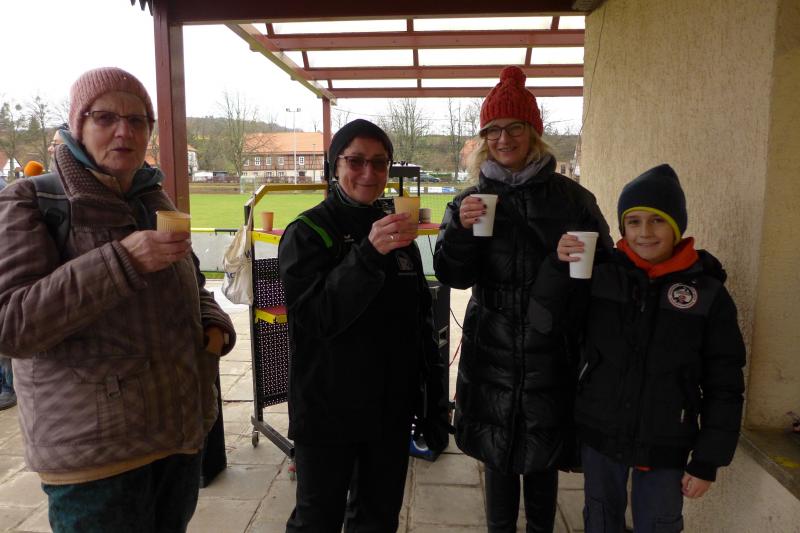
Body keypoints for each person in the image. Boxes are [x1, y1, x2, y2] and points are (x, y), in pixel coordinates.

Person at [0, 67, 236, 532]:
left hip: (177, 438)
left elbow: (191, 282)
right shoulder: (31, 200)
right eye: (105, 117)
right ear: (77, 125)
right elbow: (11, 326)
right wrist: (122, 261)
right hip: (96, 461)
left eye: (137, 120)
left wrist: (213, 329)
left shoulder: (154, 198)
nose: (124, 131)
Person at [434, 65, 612, 533]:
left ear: (534, 133)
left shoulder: (573, 199)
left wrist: (570, 264)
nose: (503, 139)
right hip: (490, 349)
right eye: (493, 130)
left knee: (541, 460)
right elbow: (453, 275)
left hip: (550, 350)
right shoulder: (470, 200)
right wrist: (459, 231)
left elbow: (604, 271)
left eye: (514, 128)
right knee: (496, 456)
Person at [547, 164, 746, 533]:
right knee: (600, 519)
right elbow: (550, 323)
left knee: (658, 523)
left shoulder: (707, 294)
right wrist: (559, 269)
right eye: (634, 221)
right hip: (601, 432)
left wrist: (707, 461)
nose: (645, 232)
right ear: (623, 228)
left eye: (657, 221)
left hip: (666, 441)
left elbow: (725, 384)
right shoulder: (601, 275)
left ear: (677, 226)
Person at [278, 119, 447, 532]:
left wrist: (432, 402)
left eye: (379, 162)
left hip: (389, 409)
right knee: (317, 520)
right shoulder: (308, 231)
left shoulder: (398, 233)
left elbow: (419, 322)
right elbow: (315, 318)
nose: (369, 173)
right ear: (335, 166)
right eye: (356, 161)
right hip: (328, 406)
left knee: (378, 518)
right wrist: (368, 255)